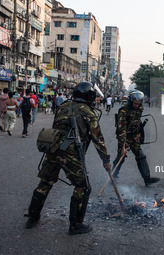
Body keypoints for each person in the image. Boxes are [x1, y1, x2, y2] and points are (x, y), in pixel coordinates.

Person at [25, 82, 112, 235]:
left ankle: (32, 217)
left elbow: (56, 127)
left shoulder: (63, 107)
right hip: (70, 152)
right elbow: (98, 139)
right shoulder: (89, 113)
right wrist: (106, 161)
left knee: (45, 182)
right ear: (90, 96)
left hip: (53, 148)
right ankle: (75, 225)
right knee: (82, 187)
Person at [112, 90, 160, 186]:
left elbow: (137, 122)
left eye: (138, 104)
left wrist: (139, 134)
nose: (136, 105)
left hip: (134, 137)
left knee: (141, 156)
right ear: (130, 101)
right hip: (125, 137)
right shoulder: (124, 111)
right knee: (121, 157)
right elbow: (121, 129)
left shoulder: (140, 108)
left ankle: (147, 179)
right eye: (135, 103)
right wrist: (123, 145)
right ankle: (112, 177)